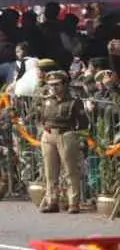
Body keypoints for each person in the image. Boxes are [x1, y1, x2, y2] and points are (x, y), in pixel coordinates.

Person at [37, 70, 88, 214]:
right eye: (51, 84)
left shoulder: (73, 101)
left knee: (70, 170)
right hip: (48, 135)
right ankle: (52, 201)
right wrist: (42, 130)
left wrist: (80, 139)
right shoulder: (46, 100)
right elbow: (39, 117)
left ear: (65, 84)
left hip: (65, 134)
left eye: (57, 84)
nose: (53, 87)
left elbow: (83, 122)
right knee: (50, 171)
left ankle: (73, 202)